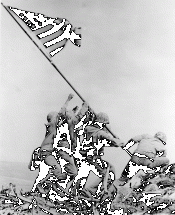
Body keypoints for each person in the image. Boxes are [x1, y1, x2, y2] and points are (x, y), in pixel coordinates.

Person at [69, 112, 124, 197]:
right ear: (102, 123)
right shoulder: (102, 134)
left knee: (82, 177)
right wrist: (119, 140)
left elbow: (79, 133)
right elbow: (116, 143)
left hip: (83, 157)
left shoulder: (87, 128)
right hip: (91, 159)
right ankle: (87, 193)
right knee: (106, 177)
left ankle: (72, 194)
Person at [34, 94, 74, 196]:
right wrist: (68, 99)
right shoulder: (52, 125)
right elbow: (61, 112)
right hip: (46, 152)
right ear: (52, 118)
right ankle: (43, 184)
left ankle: (34, 191)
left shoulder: (52, 128)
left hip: (45, 151)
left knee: (42, 173)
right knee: (57, 169)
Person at [54, 101, 89, 190]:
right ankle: (51, 182)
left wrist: (87, 115)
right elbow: (78, 118)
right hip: (63, 152)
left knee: (65, 172)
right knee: (72, 172)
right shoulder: (69, 123)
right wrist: (85, 106)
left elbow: (79, 122)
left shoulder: (65, 125)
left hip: (62, 152)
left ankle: (59, 192)